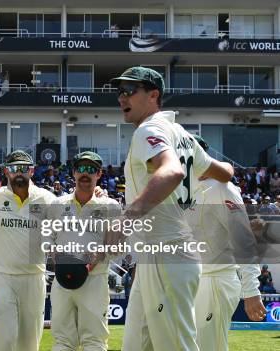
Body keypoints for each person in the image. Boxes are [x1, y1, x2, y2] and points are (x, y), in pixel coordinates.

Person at [108, 66, 234, 351]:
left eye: (130, 90)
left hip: (167, 251)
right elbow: (225, 172)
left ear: (154, 95)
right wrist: (212, 171)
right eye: (120, 91)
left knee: (177, 346)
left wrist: (126, 218)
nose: (121, 97)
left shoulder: (149, 129)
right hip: (158, 253)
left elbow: (173, 171)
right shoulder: (183, 135)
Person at [187, 135, 266, 351]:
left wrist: (251, 291)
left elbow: (243, 240)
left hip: (217, 281)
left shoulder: (223, 188)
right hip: (191, 282)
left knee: (210, 347)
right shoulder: (184, 191)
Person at [0, 150, 56, 351]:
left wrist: (98, 193)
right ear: (6, 172)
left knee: (29, 344)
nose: (19, 172)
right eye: (13, 168)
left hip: (34, 277)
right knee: (5, 340)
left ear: (32, 171)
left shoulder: (46, 199)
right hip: (3, 277)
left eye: (24, 168)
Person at [47, 151, 122, 351]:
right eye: (81, 168)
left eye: (91, 170)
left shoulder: (111, 207)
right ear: (74, 172)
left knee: (94, 341)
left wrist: (103, 253)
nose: (85, 174)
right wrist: (53, 253)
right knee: (62, 341)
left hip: (94, 280)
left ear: (99, 174)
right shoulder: (57, 204)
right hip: (62, 280)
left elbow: (120, 247)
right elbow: (46, 238)